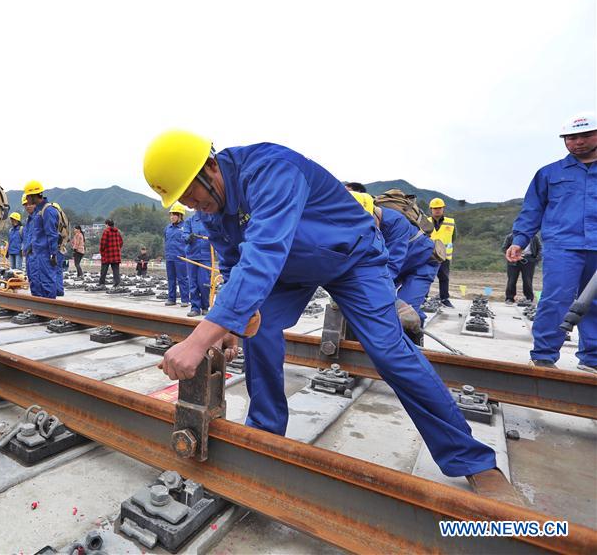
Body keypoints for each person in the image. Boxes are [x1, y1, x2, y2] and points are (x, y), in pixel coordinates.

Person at [142, 131, 515, 501]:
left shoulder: (271, 169)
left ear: (211, 168)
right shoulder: (213, 212)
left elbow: (262, 255)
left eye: (194, 194)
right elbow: (233, 263)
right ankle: (266, 434)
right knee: (258, 327)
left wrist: (197, 339)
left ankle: (474, 461)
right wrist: (229, 326)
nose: (195, 206)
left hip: (352, 259)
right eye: (185, 202)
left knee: (389, 351)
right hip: (288, 270)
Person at [508, 111, 597, 373]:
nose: (577, 142)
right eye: (571, 137)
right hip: (563, 247)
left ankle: (592, 360)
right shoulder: (549, 173)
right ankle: (544, 356)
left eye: (584, 135)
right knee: (555, 300)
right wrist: (519, 240)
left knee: (595, 302)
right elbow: (532, 210)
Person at [346, 183, 440, 331]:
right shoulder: (363, 229)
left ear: (375, 212)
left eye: (368, 222)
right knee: (371, 301)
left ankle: (412, 343)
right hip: (401, 263)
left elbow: (391, 266)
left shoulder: (397, 222)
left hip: (422, 264)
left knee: (406, 312)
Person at [22, 180, 64, 298]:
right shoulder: (37, 212)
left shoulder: (48, 211)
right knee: (36, 281)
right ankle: (40, 309)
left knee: (47, 281)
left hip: (45, 254)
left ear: (33, 196)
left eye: (28, 196)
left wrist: (53, 254)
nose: (27, 199)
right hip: (37, 253)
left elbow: (52, 234)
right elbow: (36, 234)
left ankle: (49, 310)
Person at [428, 197, 456, 308]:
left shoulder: (451, 222)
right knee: (426, 277)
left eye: (439, 208)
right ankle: (423, 297)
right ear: (431, 209)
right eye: (435, 208)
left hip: (444, 256)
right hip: (429, 255)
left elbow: (453, 238)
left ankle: (444, 299)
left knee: (444, 277)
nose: (437, 210)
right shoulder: (426, 222)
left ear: (443, 209)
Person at [182, 211, 212, 316]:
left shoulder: (210, 218)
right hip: (192, 256)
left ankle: (205, 306)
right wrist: (189, 237)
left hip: (206, 256)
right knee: (193, 283)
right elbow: (184, 236)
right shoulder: (189, 221)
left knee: (204, 283)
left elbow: (217, 234)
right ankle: (195, 308)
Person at [501, 231, 541, 305]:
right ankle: (510, 298)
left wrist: (535, 259)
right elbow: (504, 248)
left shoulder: (534, 237)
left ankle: (529, 298)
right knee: (511, 280)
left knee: (527, 280)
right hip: (514, 260)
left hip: (528, 260)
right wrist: (511, 254)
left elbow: (540, 249)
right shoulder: (510, 236)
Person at [164, 203, 189, 307]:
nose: (171, 217)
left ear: (180, 216)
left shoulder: (185, 227)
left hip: (181, 258)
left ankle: (185, 300)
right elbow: (166, 240)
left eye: (174, 215)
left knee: (182, 279)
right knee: (171, 279)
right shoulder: (167, 228)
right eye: (171, 215)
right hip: (169, 257)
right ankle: (171, 299)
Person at [98, 219, 123, 287]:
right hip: (116, 254)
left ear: (107, 224)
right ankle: (117, 283)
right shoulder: (117, 232)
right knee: (116, 270)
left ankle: (102, 283)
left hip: (107, 254)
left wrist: (101, 251)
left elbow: (103, 243)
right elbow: (121, 242)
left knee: (104, 270)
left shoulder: (106, 231)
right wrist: (117, 249)